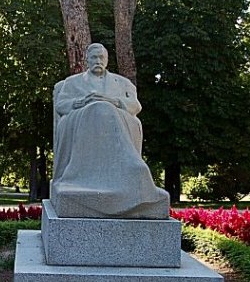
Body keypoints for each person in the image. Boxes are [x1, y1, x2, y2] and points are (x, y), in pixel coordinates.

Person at [50, 43, 169, 219]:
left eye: (101, 57)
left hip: (117, 119)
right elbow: (61, 106)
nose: (98, 61)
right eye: (94, 57)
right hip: (81, 120)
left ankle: (128, 172)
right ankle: (84, 176)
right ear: (87, 60)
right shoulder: (71, 83)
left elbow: (135, 106)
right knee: (98, 108)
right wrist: (82, 102)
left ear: (106, 60)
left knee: (105, 108)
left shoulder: (122, 83)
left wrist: (113, 102)